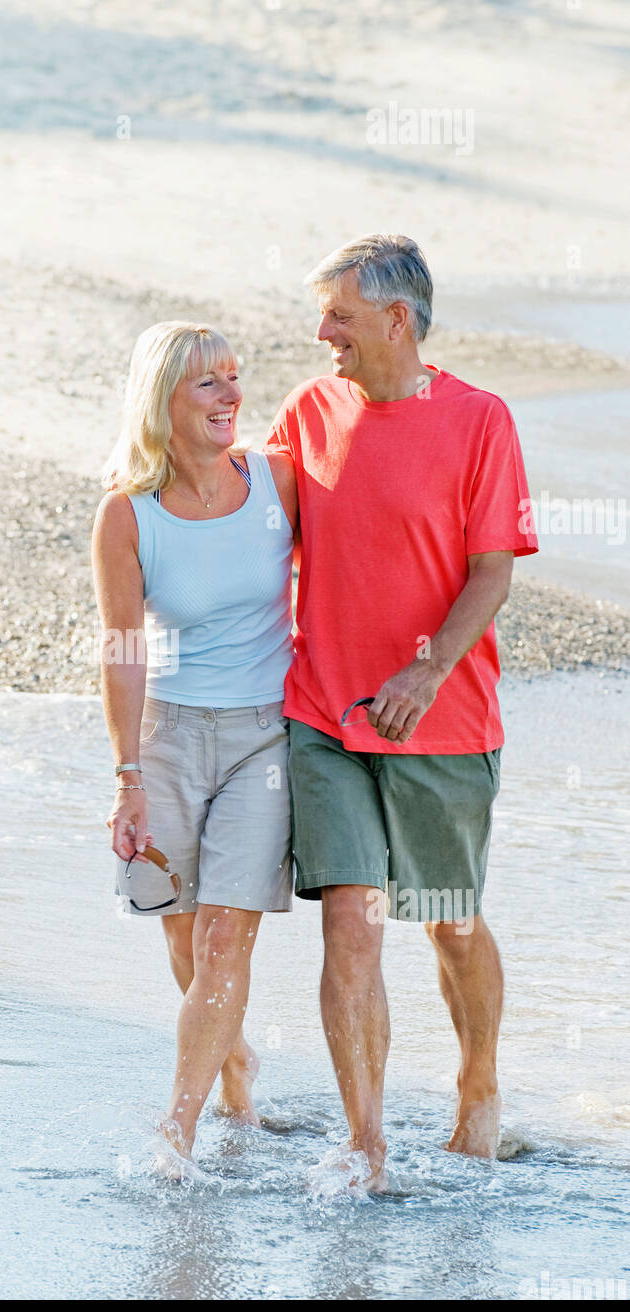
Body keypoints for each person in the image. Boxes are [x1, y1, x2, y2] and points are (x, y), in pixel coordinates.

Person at [266, 234, 539, 1190]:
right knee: (352, 918)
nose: (321, 332)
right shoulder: (308, 410)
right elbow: (250, 516)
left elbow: (493, 569)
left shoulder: (478, 421)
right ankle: (367, 1140)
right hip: (327, 713)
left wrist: (425, 673)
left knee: (449, 921)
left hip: (446, 721)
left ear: (396, 320)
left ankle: (479, 1089)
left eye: (338, 314)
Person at [91, 320, 298, 1165]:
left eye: (234, 378)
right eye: (207, 383)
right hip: (169, 736)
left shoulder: (278, 480)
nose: (230, 396)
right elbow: (123, 648)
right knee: (178, 933)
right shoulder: (126, 515)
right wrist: (128, 776)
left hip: (263, 742)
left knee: (222, 936)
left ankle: (176, 1129)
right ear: (164, 399)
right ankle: (234, 1063)